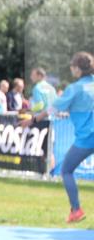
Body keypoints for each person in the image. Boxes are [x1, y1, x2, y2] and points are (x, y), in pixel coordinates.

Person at [22, 52, 94, 223]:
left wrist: (32, 120)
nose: (70, 69)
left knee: (66, 170)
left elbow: (51, 110)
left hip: (86, 139)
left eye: (72, 66)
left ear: (77, 68)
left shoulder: (75, 89)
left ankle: (76, 210)